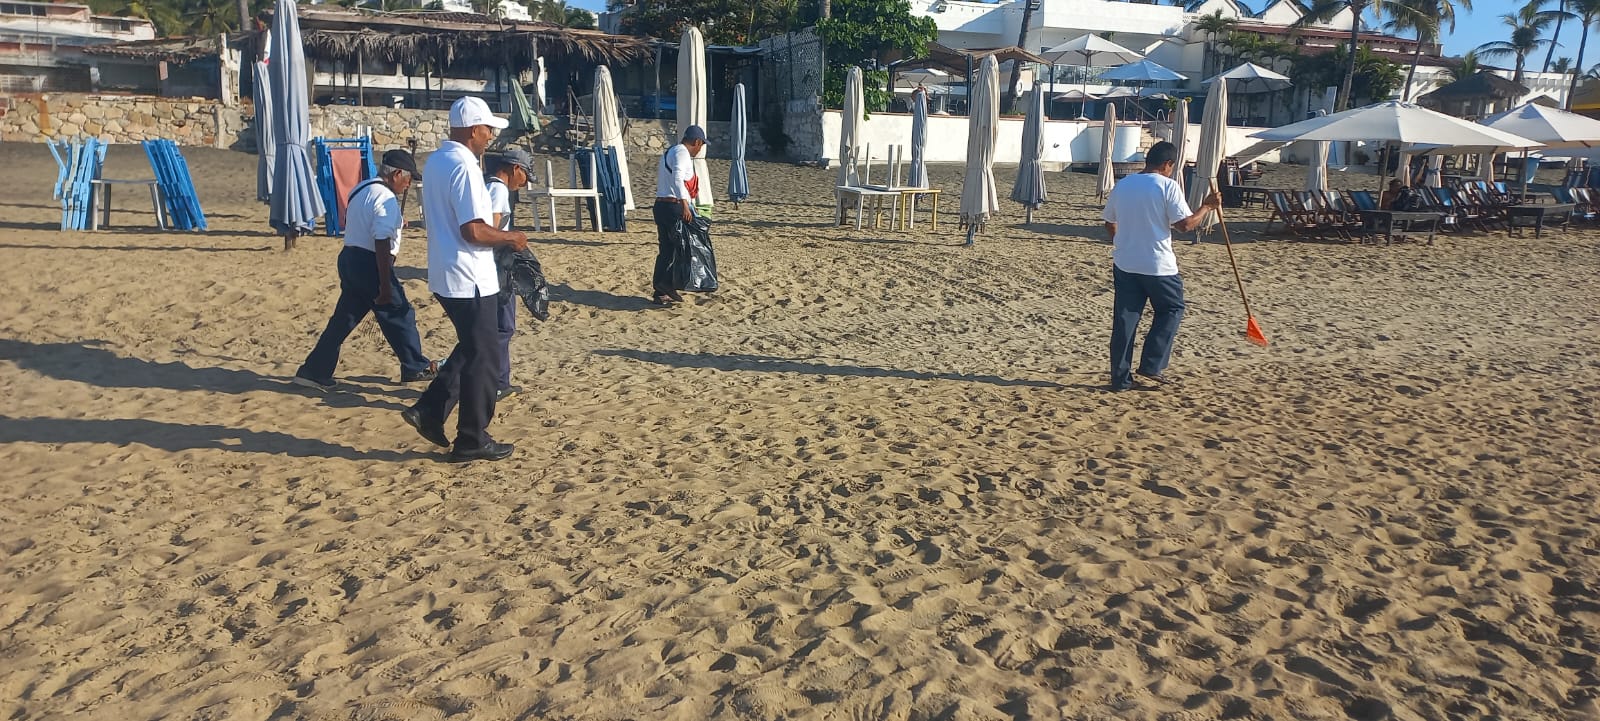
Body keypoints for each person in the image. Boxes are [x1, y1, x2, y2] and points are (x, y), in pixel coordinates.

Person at [401, 96, 529, 463]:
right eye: (487, 129)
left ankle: (430, 410)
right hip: (470, 274)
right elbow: (473, 230)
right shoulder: (464, 167)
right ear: (474, 130)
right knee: (485, 357)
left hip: (447, 271)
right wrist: (511, 237)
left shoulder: (437, 160)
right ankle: (472, 437)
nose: (490, 136)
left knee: (473, 347)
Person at [293, 149, 436, 392]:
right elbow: (381, 241)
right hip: (370, 262)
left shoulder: (362, 189)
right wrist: (384, 284)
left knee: (344, 319)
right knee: (399, 312)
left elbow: (366, 220)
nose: (409, 184)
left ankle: (314, 371)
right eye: (408, 178)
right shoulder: (386, 197)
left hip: (349, 257)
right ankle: (414, 367)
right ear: (397, 174)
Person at [1101, 141, 1221, 392]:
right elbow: (1184, 225)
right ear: (1168, 164)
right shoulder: (1167, 185)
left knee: (1125, 320)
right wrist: (1207, 207)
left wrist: (1122, 243)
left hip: (1126, 262)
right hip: (1157, 265)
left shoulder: (1123, 185)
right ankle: (1151, 364)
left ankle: (1120, 379)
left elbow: (1110, 222)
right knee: (1171, 309)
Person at [484, 148, 535, 401]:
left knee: (496, 326)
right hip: (495, 265)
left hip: (490, 264)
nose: (524, 184)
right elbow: (491, 229)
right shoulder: (498, 190)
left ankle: (497, 380)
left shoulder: (488, 185)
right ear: (515, 169)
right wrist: (512, 240)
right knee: (503, 326)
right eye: (525, 176)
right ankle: (498, 382)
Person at [651, 125, 707, 305]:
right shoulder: (683, 153)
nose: (700, 149)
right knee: (683, 248)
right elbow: (677, 178)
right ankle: (666, 285)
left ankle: (660, 291)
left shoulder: (671, 151)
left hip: (661, 205)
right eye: (701, 145)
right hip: (674, 206)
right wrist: (684, 205)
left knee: (666, 250)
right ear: (696, 142)